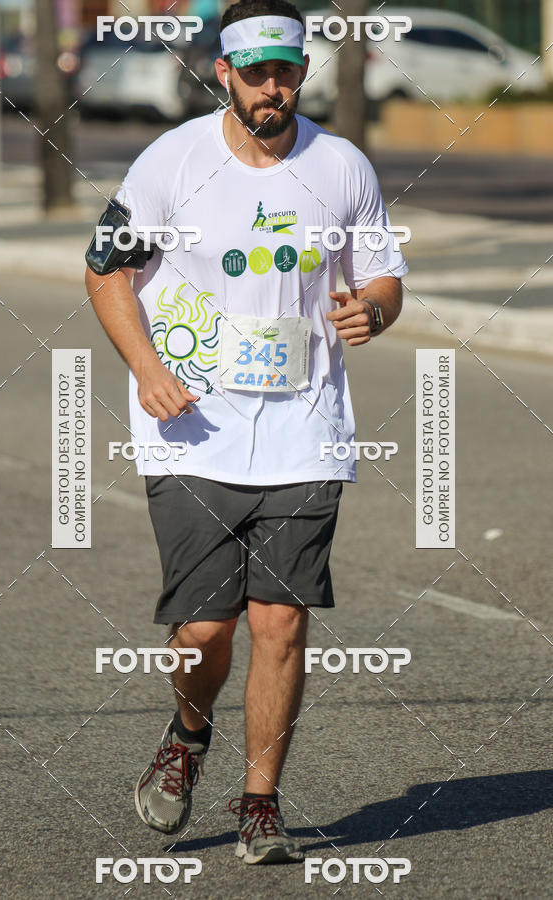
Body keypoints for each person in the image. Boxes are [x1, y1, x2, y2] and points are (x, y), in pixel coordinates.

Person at [85, 0, 407, 865]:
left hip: (306, 425)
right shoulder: (170, 163)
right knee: (204, 633)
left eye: (288, 71)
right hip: (193, 429)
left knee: (281, 625)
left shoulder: (341, 166)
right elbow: (106, 270)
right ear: (222, 72)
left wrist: (372, 309)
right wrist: (149, 368)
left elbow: (382, 274)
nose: (274, 88)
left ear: (305, 71)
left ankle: (260, 801)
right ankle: (189, 732)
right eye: (256, 72)